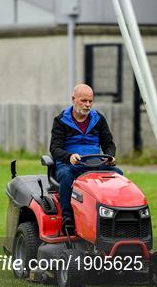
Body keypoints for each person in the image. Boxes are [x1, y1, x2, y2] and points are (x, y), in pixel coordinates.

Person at [50, 83, 123, 231]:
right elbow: (55, 149)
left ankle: (116, 217)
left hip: (95, 163)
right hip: (70, 164)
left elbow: (109, 144)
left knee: (118, 174)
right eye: (84, 101)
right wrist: (69, 156)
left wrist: (109, 157)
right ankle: (68, 218)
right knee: (66, 175)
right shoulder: (61, 120)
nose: (88, 105)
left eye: (90, 101)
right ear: (73, 99)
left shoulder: (99, 119)